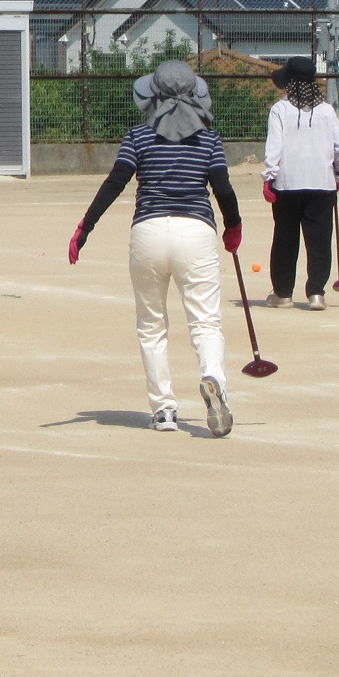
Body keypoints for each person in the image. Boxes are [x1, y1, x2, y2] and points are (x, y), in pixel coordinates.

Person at [68, 59, 241, 437]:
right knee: (205, 321)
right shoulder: (209, 139)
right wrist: (234, 227)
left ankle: (163, 410)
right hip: (195, 231)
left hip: (147, 232)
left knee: (151, 325)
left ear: (154, 94)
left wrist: (86, 226)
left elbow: (115, 182)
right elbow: (223, 188)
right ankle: (214, 380)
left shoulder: (138, 136)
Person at [262, 56, 339, 312]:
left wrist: (270, 176)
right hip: (321, 184)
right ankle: (316, 293)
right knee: (320, 239)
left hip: (287, 184)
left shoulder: (280, 109)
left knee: (285, 238)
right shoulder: (326, 111)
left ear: (289, 82)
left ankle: (283, 293)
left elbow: (274, 148)